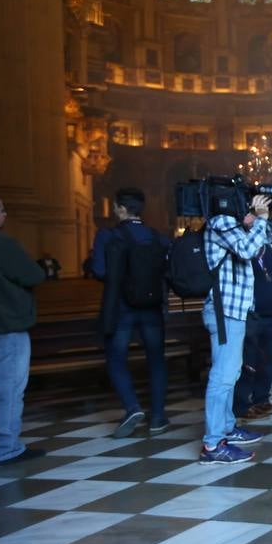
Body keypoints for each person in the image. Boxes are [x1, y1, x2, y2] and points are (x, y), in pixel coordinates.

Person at [200, 192, 272, 465]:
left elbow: (270, 240)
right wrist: (256, 219)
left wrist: (267, 217)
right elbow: (247, 250)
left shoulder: (237, 224)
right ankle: (212, 446)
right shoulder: (219, 222)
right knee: (222, 376)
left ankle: (226, 428)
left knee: (231, 373)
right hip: (224, 312)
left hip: (235, 311)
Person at [87, 187, 172, 438]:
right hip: (152, 308)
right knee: (156, 360)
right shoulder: (157, 237)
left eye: (115, 206)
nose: (114, 210)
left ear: (122, 209)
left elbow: (100, 271)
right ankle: (157, 417)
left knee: (115, 358)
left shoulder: (107, 236)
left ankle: (132, 407)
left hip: (121, 307)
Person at [0, 195, 47, 466]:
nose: (5, 216)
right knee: (8, 388)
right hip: (5, 327)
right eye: (2, 211)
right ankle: (5, 447)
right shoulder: (1, 245)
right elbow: (34, 275)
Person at [234, 243, 272, 420]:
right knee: (248, 361)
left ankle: (261, 399)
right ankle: (242, 404)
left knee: (270, 358)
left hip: (271, 315)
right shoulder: (241, 249)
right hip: (250, 315)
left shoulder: (267, 250)